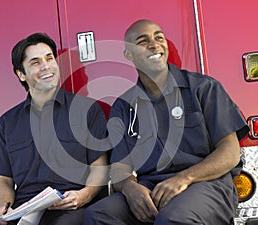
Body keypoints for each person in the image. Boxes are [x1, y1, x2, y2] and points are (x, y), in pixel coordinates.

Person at [83, 19, 249, 225]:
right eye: (143, 41)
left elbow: (230, 153)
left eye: (159, 38)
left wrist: (184, 178)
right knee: (98, 215)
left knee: (173, 219)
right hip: (153, 188)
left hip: (207, 184)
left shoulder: (203, 88)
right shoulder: (124, 106)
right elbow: (119, 166)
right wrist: (130, 188)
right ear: (128, 55)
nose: (154, 44)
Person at [0, 32, 109, 225]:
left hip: (70, 207)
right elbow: (4, 180)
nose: (46, 66)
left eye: (49, 58)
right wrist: (3, 210)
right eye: (36, 62)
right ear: (21, 74)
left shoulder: (87, 110)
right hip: (24, 209)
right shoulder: (7, 122)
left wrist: (84, 195)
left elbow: (100, 167)